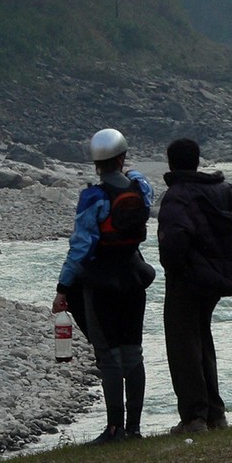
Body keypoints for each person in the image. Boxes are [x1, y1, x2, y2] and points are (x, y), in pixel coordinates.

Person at [52, 128, 155, 445]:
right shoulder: (141, 189)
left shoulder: (92, 198)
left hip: (101, 285)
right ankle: (134, 429)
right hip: (134, 281)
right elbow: (138, 177)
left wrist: (62, 288)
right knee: (133, 354)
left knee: (109, 357)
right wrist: (128, 169)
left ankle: (114, 430)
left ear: (96, 162)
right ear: (122, 158)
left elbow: (80, 248)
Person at [157, 138, 232, 434]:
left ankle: (194, 417)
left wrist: (180, 268)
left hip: (187, 279)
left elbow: (174, 241)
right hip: (216, 280)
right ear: (197, 160)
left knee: (183, 344)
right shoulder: (228, 191)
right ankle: (215, 414)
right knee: (202, 338)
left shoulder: (178, 195)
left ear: (171, 163)